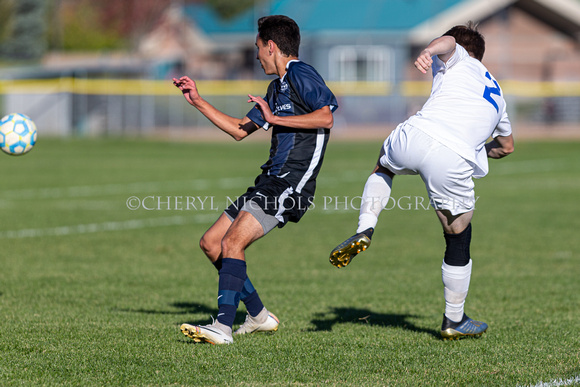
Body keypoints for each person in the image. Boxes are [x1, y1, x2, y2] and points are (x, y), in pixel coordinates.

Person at [329, 22, 514, 340]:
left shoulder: (457, 59)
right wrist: (478, 147)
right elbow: (507, 147)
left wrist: (429, 50)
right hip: (453, 157)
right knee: (458, 236)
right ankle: (454, 320)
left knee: (382, 168)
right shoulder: (498, 96)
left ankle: (365, 227)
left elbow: (448, 42)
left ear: (463, 51)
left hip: (416, 133)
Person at [173, 15, 338, 344]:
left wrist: (275, 118)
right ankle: (259, 316)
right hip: (269, 179)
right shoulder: (275, 88)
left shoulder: (301, 74)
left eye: (258, 48)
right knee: (212, 243)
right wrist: (198, 101)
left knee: (233, 242)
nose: (257, 54)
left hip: (292, 183)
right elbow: (238, 130)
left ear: (272, 47)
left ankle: (222, 328)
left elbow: (326, 116)